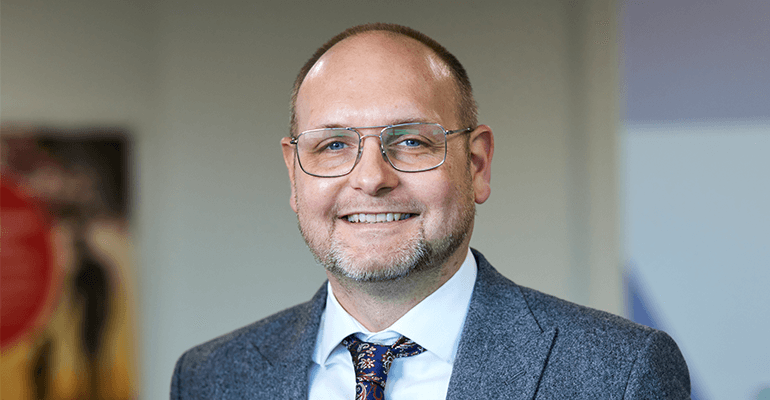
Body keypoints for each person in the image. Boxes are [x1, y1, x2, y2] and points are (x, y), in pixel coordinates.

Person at [171, 23, 690, 399]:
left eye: (413, 141)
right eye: (332, 146)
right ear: (294, 173)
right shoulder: (210, 378)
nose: (371, 179)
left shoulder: (619, 373)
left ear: (478, 164)